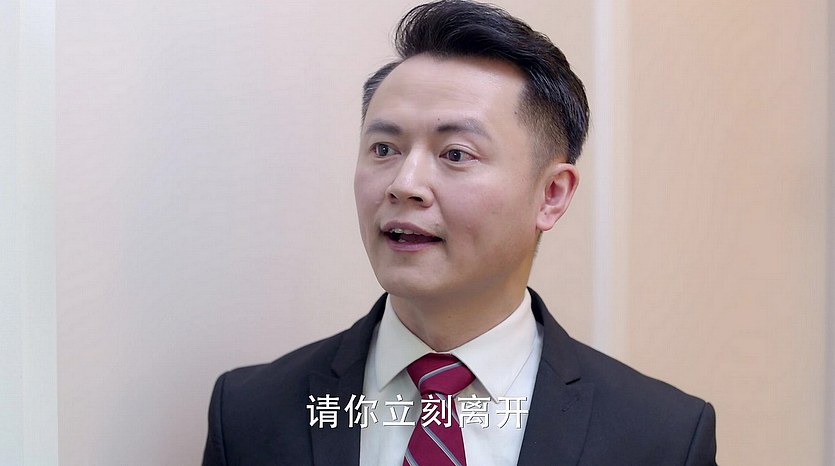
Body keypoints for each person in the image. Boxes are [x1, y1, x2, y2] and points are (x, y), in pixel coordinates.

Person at [201, 1, 717, 464]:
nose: (405, 185)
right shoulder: (249, 412)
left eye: (455, 154)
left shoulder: (661, 437)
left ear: (551, 194)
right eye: (384, 149)